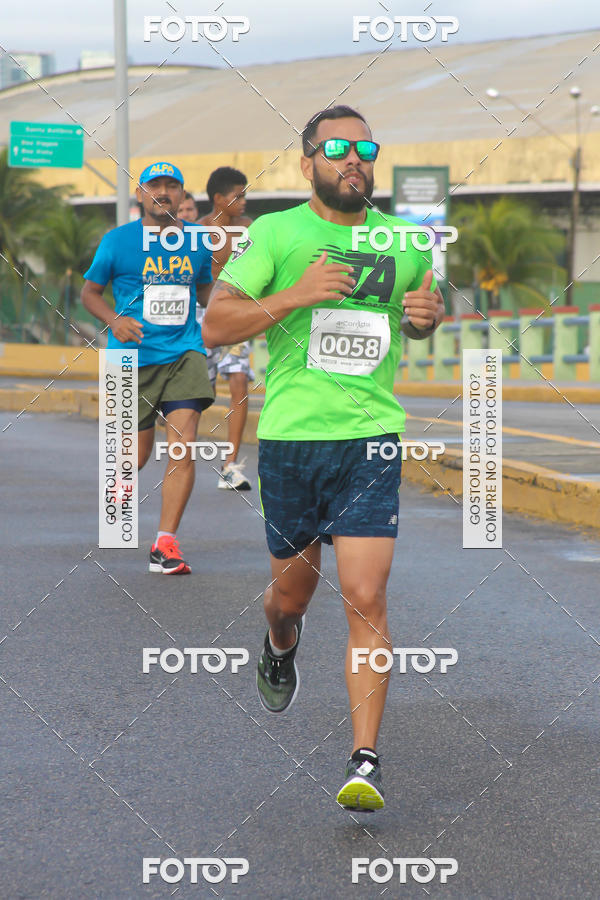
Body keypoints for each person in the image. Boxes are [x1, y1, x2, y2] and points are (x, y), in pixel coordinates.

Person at [202, 106, 444, 811]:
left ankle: (364, 761)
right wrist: (298, 294)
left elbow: (417, 320)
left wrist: (423, 323)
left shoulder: (407, 241)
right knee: (292, 596)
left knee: (367, 597)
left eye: (365, 147)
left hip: (370, 440)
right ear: (307, 161)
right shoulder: (276, 234)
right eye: (337, 147)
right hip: (292, 442)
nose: (355, 158)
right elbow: (217, 323)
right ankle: (279, 642)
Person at [82, 161, 214, 574]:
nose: (163, 192)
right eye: (154, 186)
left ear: (181, 195)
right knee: (133, 457)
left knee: (183, 444)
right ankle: (116, 504)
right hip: (129, 359)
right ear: (140, 195)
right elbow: (90, 292)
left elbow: (207, 288)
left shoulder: (195, 240)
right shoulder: (117, 241)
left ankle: (165, 544)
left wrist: (234, 304)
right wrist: (115, 320)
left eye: (171, 186)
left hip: (184, 352)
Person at [199, 167, 253, 491]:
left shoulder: (249, 229)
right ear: (219, 199)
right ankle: (183, 453)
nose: (244, 201)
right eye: (238, 194)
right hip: (200, 317)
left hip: (236, 315)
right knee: (197, 393)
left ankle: (230, 465)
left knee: (238, 380)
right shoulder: (198, 230)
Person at [178, 190, 221, 390]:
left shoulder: (204, 239)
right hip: (165, 326)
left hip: (205, 311)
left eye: (190, 209)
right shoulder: (147, 240)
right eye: (181, 210)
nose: (186, 214)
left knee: (206, 378)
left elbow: (207, 282)